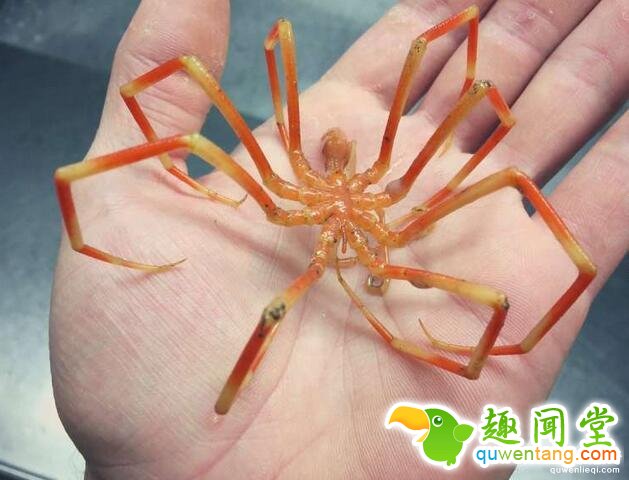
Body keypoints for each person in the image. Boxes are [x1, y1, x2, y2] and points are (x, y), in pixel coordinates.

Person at [50, 0, 628, 478]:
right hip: (308, 181)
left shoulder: (388, 194)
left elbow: (483, 93)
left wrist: (506, 347)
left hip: (360, 187)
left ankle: (506, 351)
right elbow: (268, 42)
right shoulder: (292, 188)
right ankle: (220, 399)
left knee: (507, 235)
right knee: (266, 291)